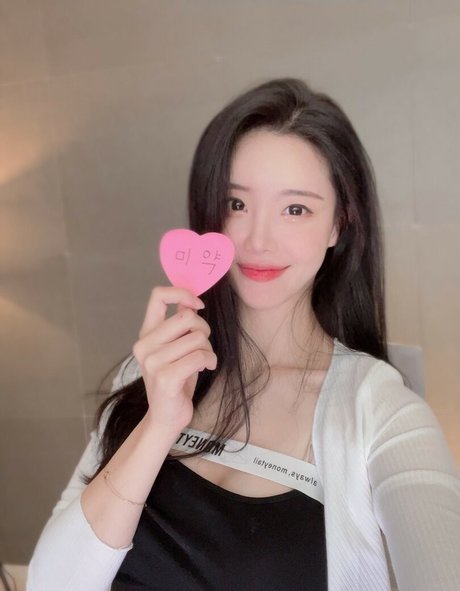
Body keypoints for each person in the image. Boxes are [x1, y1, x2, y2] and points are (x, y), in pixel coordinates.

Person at [27, 78, 460, 591]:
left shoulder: (381, 412)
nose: (258, 239)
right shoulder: (153, 373)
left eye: (295, 209)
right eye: (236, 204)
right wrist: (159, 423)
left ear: (338, 225)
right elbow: (52, 583)